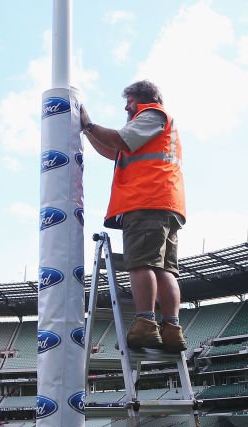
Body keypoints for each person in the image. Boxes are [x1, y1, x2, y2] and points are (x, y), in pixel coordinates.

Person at [80, 80, 187, 353]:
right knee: (165, 269)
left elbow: (118, 140)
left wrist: (89, 125)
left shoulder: (151, 114)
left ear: (141, 99)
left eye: (128, 101)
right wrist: (88, 131)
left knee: (141, 264)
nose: (126, 108)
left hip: (146, 201)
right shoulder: (151, 127)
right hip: (164, 202)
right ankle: (171, 329)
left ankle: (146, 323)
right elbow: (113, 150)